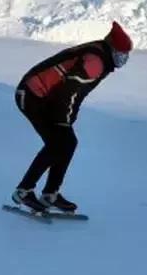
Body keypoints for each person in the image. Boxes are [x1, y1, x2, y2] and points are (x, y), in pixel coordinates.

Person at [10, 21, 133, 213]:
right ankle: (24, 191)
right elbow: (69, 93)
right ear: (112, 50)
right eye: (121, 55)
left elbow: (72, 94)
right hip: (33, 95)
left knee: (66, 142)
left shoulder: (98, 54)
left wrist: (67, 119)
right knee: (58, 143)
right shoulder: (96, 62)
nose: (122, 59)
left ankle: (50, 193)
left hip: (40, 95)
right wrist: (64, 120)